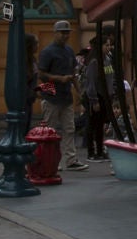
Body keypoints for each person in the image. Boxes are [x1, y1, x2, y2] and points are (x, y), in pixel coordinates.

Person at [36, 19, 84, 171]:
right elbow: (41, 74)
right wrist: (58, 79)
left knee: (69, 128)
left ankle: (71, 159)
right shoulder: (47, 52)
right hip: (51, 95)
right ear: (55, 33)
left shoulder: (69, 51)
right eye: (63, 33)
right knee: (50, 130)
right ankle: (50, 160)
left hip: (66, 95)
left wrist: (79, 91)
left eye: (67, 33)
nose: (65, 36)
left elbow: (74, 73)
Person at [80, 40, 112, 161]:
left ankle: (100, 151)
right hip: (96, 96)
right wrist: (94, 101)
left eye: (109, 45)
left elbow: (110, 78)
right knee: (92, 125)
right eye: (106, 45)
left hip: (105, 97)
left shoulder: (108, 60)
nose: (109, 47)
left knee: (100, 126)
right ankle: (91, 152)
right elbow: (91, 83)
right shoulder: (94, 62)